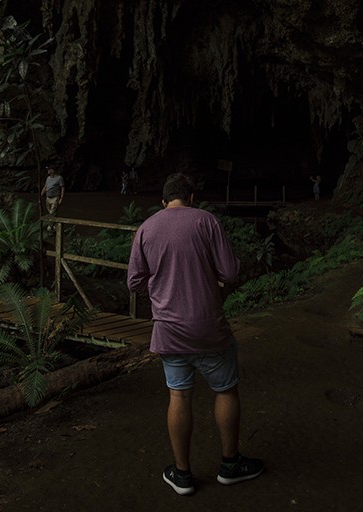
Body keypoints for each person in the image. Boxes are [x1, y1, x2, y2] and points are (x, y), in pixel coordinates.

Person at [127, 172, 264, 496]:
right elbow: (229, 272)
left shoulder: (146, 228)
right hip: (208, 329)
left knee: (178, 395)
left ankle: (182, 474)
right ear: (191, 198)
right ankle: (230, 465)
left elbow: (134, 282)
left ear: (163, 201)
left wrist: (161, 285)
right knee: (226, 391)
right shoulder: (206, 221)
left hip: (169, 332)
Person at [41, 165, 65, 232]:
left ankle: (50, 227)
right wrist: (41, 194)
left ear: (52, 170)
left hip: (55, 198)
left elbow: (62, 188)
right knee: (51, 213)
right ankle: (55, 226)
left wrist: (61, 198)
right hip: (48, 198)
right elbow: (45, 187)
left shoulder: (59, 178)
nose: (48, 170)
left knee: (52, 212)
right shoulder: (48, 178)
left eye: (49, 169)